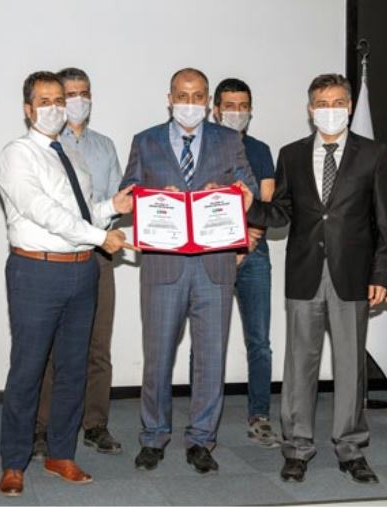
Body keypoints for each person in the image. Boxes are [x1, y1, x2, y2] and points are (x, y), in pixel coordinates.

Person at [244, 73, 387, 484]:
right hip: (304, 272)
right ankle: (297, 448)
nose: (330, 110)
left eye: (338, 102)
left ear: (349, 107)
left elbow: (385, 220)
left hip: (353, 274)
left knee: (351, 366)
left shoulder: (374, 154)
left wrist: (382, 273)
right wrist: (249, 204)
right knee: (299, 365)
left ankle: (351, 448)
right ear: (311, 110)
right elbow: (281, 213)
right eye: (322, 104)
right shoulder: (291, 154)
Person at [0, 71, 133, 497]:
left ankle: (61, 453)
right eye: (45, 101)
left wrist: (112, 207)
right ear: (28, 109)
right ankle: (14, 462)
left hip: (81, 270)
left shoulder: (69, 154)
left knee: (74, 369)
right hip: (37, 271)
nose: (55, 108)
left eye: (60, 100)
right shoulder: (17, 154)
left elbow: (80, 211)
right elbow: (42, 211)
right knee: (28, 369)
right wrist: (100, 237)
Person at [120, 68, 257, 475]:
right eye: (183, 95)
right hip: (164, 265)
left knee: (211, 360)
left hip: (215, 266)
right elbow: (128, 192)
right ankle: (153, 435)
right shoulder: (145, 141)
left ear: (208, 101)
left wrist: (233, 196)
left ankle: (201, 439)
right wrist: (154, 198)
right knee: (157, 358)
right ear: (169, 98)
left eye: (198, 96)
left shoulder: (229, 140)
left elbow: (249, 189)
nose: (190, 103)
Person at [33, 67, 124, 458]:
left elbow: (116, 201)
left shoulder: (104, 146)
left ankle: (95, 423)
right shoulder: (43, 146)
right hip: (58, 257)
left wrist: (104, 225)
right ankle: (42, 427)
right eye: (69, 94)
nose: (77, 100)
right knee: (53, 348)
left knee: (98, 345)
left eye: (84, 93)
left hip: (99, 255)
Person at [211, 77, 279, 448]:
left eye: (243, 106)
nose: (236, 112)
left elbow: (266, 202)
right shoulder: (202, 146)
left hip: (254, 255)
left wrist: (248, 241)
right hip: (211, 256)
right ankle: (204, 419)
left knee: (259, 341)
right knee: (206, 341)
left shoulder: (260, 149)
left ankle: (260, 416)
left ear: (250, 110)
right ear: (216, 110)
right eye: (229, 106)